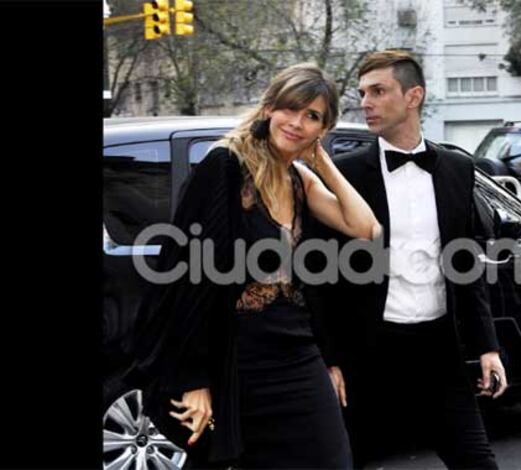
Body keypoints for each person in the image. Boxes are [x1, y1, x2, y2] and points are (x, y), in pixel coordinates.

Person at [125, 63, 380, 468]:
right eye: (289, 109)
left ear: (322, 128)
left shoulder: (299, 179)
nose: (296, 123)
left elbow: (366, 228)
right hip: (239, 358)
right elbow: (189, 275)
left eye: (312, 116)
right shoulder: (226, 165)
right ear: (268, 109)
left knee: (333, 460)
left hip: (297, 353)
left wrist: (322, 162)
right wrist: (195, 380)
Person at [317, 50, 509, 469]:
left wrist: (487, 347)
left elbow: (467, 266)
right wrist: (329, 358)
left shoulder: (458, 169)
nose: (365, 102)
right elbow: (321, 277)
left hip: (439, 348)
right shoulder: (345, 173)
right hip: (367, 352)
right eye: (362, 92)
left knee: (477, 461)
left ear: (414, 96)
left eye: (378, 91)